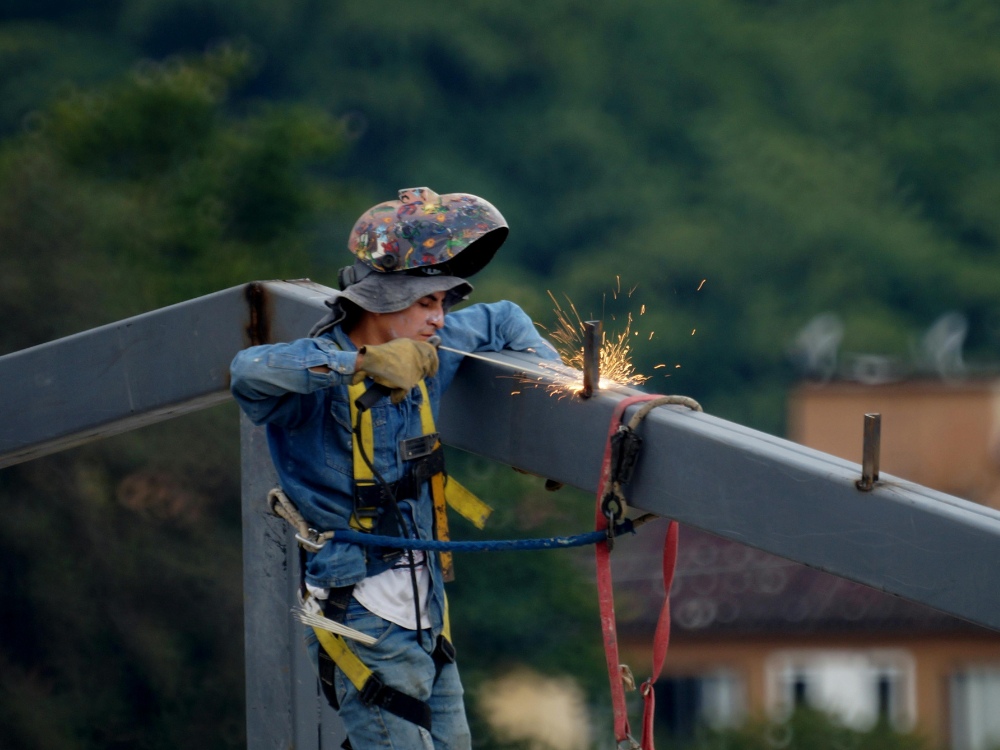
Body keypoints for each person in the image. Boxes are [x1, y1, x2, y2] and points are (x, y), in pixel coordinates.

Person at [230, 187, 559, 750]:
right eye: (427, 303)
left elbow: (503, 319)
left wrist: (554, 401)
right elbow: (249, 371)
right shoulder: (314, 383)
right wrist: (359, 363)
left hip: (427, 614)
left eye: (444, 304)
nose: (440, 319)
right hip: (359, 615)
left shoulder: (432, 346)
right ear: (382, 299)